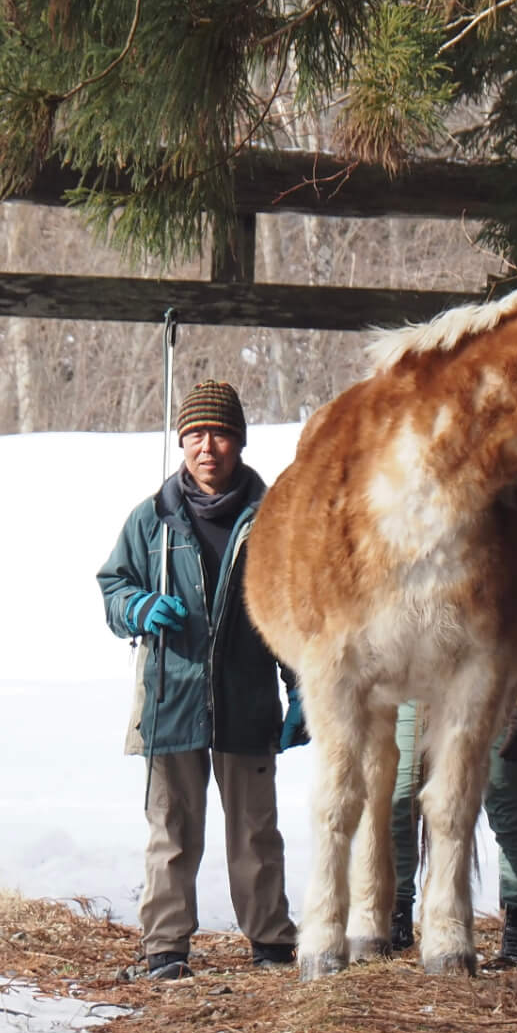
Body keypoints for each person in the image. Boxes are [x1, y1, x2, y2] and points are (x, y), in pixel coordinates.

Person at [97, 381, 300, 981]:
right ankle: (165, 949)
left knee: (256, 831)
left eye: (219, 434)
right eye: (195, 435)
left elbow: (295, 609)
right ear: (182, 441)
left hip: (248, 700)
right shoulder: (152, 519)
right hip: (171, 699)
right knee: (171, 830)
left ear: (239, 441)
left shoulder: (273, 519)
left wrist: (301, 692)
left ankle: (270, 943)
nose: (206, 447)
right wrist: (137, 607)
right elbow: (113, 586)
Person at [391, 647, 517, 970]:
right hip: (419, 680)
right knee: (400, 798)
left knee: (504, 801)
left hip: (495, 680)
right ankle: (395, 914)